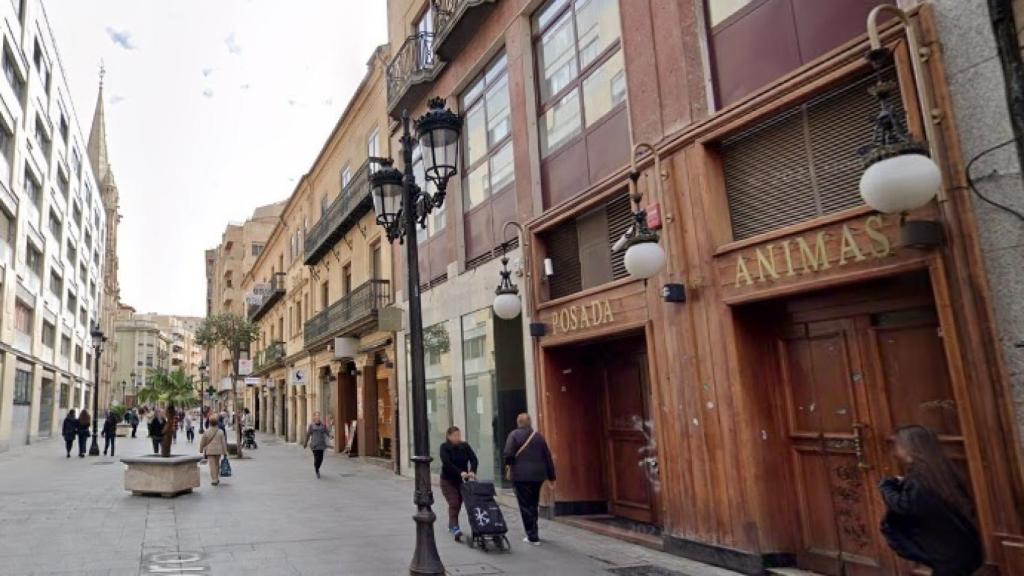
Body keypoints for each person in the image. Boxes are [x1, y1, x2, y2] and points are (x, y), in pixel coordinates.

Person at [879, 425, 982, 576]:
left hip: (945, 552)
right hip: (961, 545)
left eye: (898, 445)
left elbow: (904, 505)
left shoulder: (921, 477)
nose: (896, 451)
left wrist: (886, 486)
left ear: (909, 447)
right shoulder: (938, 470)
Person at [503, 413, 555, 546]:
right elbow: (547, 457)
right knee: (533, 503)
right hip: (538, 476)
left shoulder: (513, 435)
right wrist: (551, 477)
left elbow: (508, 454)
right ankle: (534, 531)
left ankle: (532, 536)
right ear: (530, 422)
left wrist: (510, 464)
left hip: (521, 476)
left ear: (518, 422)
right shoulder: (538, 437)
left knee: (525, 505)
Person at [439, 426, 478, 540]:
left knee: (459, 503)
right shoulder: (444, 447)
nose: (458, 438)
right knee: (454, 502)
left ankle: (452, 524)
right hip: (448, 480)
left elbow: (474, 459)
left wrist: (472, 471)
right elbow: (447, 463)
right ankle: (455, 527)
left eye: (459, 435)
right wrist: (460, 472)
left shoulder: (464, 446)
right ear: (449, 436)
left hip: (462, 481)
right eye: (455, 435)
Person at [199, 414, 229, 486]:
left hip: (210, 451)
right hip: (218, 451)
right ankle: (217, 478)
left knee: (212, 465)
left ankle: (214, 479)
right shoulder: (220, 431)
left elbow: (202, 442)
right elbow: (223, 443)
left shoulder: (206, 432)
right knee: (217, 464)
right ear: (217, 422)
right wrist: (225, 452)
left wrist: (201, 449)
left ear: (209, 422)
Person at [303, 411, 332, 479]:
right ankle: (317, 470)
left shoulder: (323, 425)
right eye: (316, 415)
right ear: (314, 417)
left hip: (321, 445)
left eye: (319, 415)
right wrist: (305, 443)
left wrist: (330, 436)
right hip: (314, 445)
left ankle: (317, 467)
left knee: (321, 459)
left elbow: (327, 432)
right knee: (316, 459)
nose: (318, 417)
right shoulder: (311, 426)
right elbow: (308, 435)